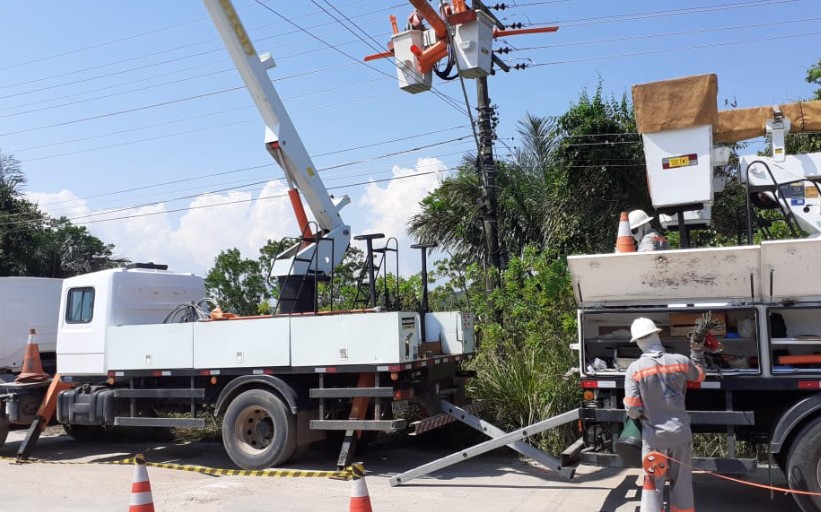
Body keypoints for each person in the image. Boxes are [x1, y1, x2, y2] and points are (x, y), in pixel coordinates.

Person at [623, 317, 705, 512]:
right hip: (681, 434)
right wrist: (697, 352)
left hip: (654, 439)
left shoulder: (635, 370)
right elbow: (700, 375)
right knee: (682, 483)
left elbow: (633, 410)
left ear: (639, 342)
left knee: (652, 485)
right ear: (656, 335)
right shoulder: (680, 362)